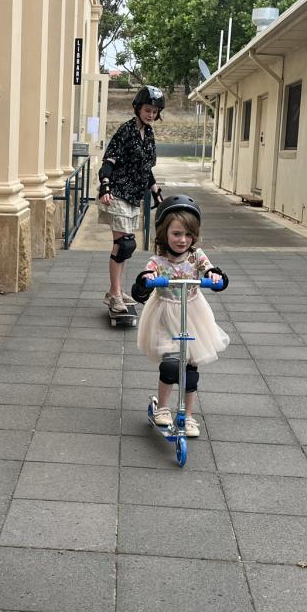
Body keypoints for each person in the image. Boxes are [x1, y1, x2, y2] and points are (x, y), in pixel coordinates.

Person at [131, 195, 230, 435]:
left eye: (188, 235)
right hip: (165, 314)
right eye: (176, 234)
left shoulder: (197, 256)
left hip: (193, 314)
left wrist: (216, 278)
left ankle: (188, 415)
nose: (183, 240)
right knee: (171, 366)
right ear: (164, 233)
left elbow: (212, 271)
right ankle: (163, 408)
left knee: (191, 368)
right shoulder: (157, 261)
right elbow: (143, 282)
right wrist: (146, 281)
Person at [97, 85, 165, 314]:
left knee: (126, 247)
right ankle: (114, 294)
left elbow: (146, 169)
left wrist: (156, 191)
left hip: (134, 196)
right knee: (123, 244)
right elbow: (109, 160)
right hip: (117, 193)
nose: (151, 114)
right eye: (147, 110)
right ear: (138, 107)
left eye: (155, 112)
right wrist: (105, 185)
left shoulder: (149, 134)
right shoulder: (126, 130)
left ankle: (115, 291)